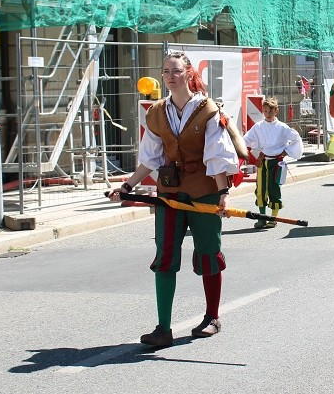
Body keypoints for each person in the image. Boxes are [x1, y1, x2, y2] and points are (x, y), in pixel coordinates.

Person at [109, 51, 239, 348]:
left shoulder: (207, 109)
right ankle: (163, 329)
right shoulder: (156, 111)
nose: (170, 75)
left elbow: (217, 156)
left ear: (188, 73)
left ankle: (212, 317)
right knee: (165, 256)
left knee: (208, 252)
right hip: (169, 193)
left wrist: (223, 194)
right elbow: (150, 158)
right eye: (166, 70)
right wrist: (128, 185)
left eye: (176, 70)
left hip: (204, 191)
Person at [242, 96, 302, 229]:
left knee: (274, 189)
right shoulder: (258, 127)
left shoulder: (282, 128)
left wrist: (286, 152)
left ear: (276, 111)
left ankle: (273, 218)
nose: (267, 114)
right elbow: (246, 139)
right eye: (265, 111)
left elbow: (296, 138)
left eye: (270, 111)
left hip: (276, 162)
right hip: (263, 161)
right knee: (261, 189)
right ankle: (262, 218)